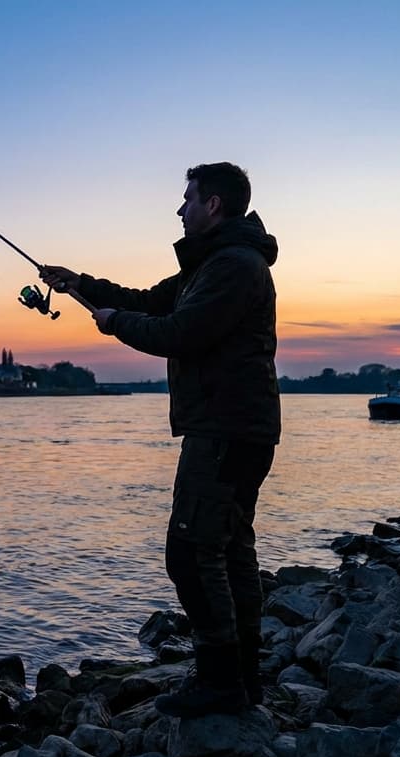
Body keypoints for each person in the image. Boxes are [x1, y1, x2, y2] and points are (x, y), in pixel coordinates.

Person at [39, 162, 280, 719]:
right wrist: (79, 285)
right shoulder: (213, 264)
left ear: (213, 204)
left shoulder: (233, 266)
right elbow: (149, 300)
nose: (179, 209)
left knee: (191, 553)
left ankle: (220, 682)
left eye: (187, 198)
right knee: (229, 551)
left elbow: (177, 333)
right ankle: (242, 679)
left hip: (225, 430)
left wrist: (113, 323)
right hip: (235, 428)